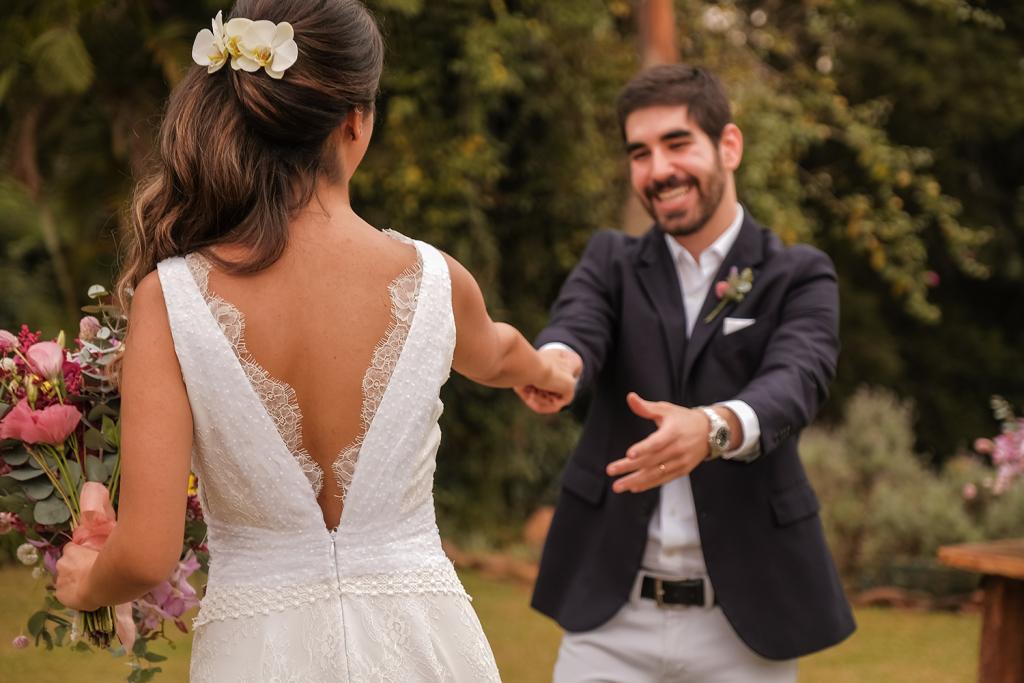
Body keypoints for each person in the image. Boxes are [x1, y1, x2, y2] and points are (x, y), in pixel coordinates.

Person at [54, 1, 575, 680]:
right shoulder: (437, 280)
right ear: (354, 122)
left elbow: (147, 554)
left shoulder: (170, 300)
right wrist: (550, 371)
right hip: (429, 644)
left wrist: (87, 581)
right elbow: (502, 353)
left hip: (258, 653)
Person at [515, 64, 856, 682]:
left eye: (677, 144)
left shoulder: (799, 274)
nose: (658, 170)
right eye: (640, 153)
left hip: (746, 628)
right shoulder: (611, 260)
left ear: (728, 146)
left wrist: (714, 428)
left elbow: (798, 378)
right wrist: (556, 366)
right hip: (610, 624)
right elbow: (577, 327)